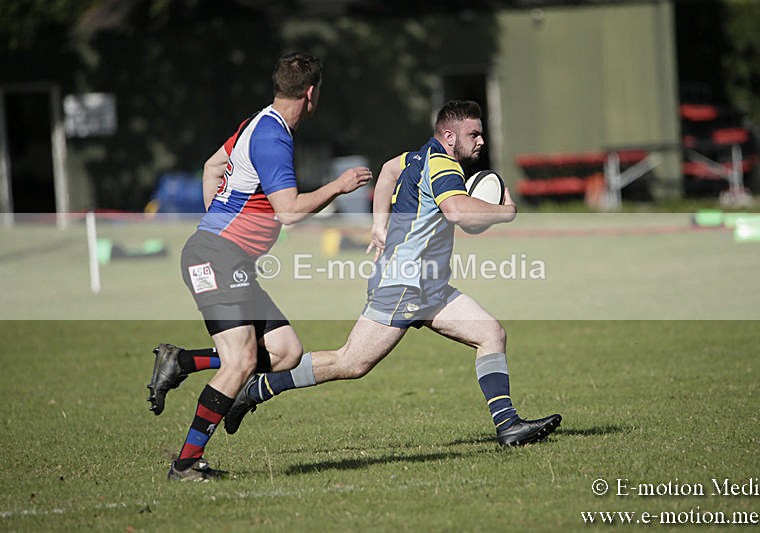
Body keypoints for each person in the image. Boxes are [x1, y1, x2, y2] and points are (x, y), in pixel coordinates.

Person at [222, 100, 562, 446]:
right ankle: (257, 388)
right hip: (403, 285)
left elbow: (386, 171)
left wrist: (379, 225)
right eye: (473, 134)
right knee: (350, 362)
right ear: (448, 136)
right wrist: (506, 212)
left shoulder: (416, 156)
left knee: (491, 334)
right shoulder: (444, 165)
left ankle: (508, 427)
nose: (480, 141)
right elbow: (458, 211)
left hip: (427, 284)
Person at [146, 51, 372, 481]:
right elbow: (288, 212)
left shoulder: (258, 121)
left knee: (286, 351)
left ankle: (182, 362)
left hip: (227, 257)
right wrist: (339, 187)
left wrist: (216, 222)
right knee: (242, 360)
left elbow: (213, 168)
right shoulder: (273, 137)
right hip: (217, 257)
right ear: (311, 93)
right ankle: (186, 463)